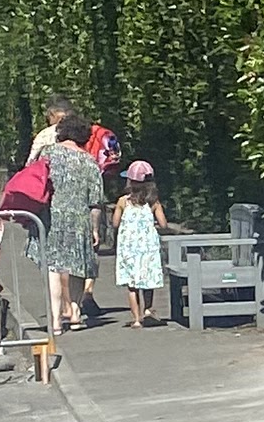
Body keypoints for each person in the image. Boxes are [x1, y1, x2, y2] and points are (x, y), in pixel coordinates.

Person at [38, 103, 105, 335]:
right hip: (80, 220)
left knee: (54, 268)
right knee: (78, 267)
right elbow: (95, 201)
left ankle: (56, 320)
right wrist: (95, 229)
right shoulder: (90, 162)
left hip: (51, 217)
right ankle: (75, 312)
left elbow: (35, 179)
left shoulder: (48, 153)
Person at [114, 160, 169, 330]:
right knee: (147, 280)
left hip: (128, 248)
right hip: (148, 247)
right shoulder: (153, 202)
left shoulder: (123, 201)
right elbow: (163, 224)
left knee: (132, 286)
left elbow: (115, 223)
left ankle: (136, 319)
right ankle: (147, 309)